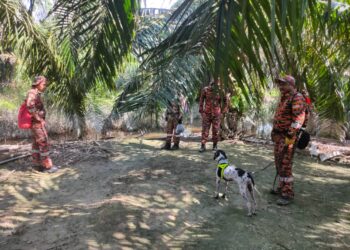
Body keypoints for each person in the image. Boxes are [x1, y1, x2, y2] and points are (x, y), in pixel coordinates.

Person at [271, 75, 308, 205]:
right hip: (279, 136)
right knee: (279, 162)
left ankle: (287, 194)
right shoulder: (284, 98)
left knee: (285, 164)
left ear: (291, 85)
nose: (280, 87)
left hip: (288, 138)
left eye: (283, 84)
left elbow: (298, 120)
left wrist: (290, 137)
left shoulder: (296, 97)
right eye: (279, 84)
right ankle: (281, 187)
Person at [26, 76, 58, 173]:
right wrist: (38, 118)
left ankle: (37, 164)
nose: (45, 86)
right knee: (44, 142)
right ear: (38, 84)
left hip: (35, 123)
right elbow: (29, 105)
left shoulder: (35, 93)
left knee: (36, 143)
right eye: (44, 84)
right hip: (37, 124)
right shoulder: (32, 93)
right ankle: (47, 167)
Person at [199, 78, 228, 152]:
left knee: (216, 131)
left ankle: (215, 146)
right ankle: (203, 146)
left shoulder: (221, 91)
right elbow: (201, 101)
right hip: (207, 114)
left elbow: (226, 101)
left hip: (216, 114)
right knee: (205, 130)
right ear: (211, 83)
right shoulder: (205, 90)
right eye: (213, 84)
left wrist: (222, 112)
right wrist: (201, 112)